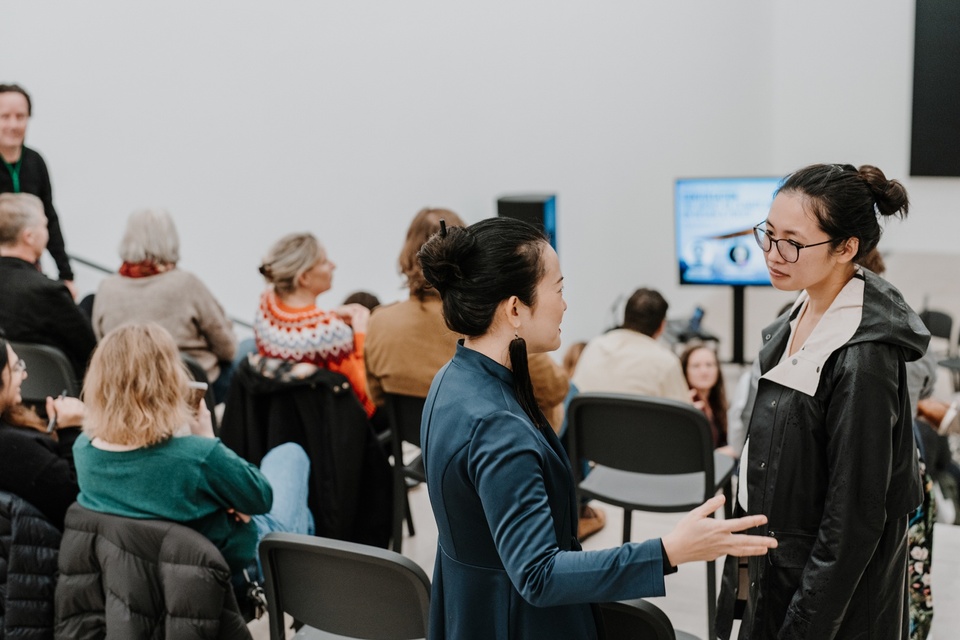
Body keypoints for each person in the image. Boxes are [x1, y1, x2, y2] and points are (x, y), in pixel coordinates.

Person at [417, 216, 777, 639]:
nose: (565, 304)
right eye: (559, 289)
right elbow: (539, 575)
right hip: (517, 622)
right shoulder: (498, 426)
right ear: (515, 308)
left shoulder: (453, 377)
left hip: (470, 607)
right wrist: (669, 550)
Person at [717, 164, 929, 639]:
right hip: (778, 562)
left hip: (826, 595)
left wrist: (804, 627)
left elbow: (852, 518)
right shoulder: (799, 310)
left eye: (792, 242)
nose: (773, 254)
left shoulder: (864, 357)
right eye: (767, 235)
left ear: (846, 248)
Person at [72, 323, 313, 582]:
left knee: (303, 515)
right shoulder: (198, 455)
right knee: (291, 455)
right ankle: (302, 591)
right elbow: (261, 499)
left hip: (150, 573)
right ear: (167, 380)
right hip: (235, 566)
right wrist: (207, 438)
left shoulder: (84, 449)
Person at [364, 207, 569, 431]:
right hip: (502, 439)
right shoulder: (485, 326)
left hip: (420, 449)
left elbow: (377, 397)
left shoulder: (379, 322)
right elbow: (555, 387)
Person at [92, 208, 237, 402]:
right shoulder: (186, 284)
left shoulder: (106, 288)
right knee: (243, 363)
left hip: (129, 392)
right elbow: (227, 347)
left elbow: (102, 343)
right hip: (187, 390)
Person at [254, 232, 375, 416]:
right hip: (331, 425)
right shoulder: (332, 335)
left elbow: (297, 329)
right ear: (304, 278)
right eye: (325, 262)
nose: (333, 265)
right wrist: (361, 335)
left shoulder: (266, 308)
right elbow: (366, 398)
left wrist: (330, 315)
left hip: (285, 419)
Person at [0, 193, 96, 384]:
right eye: (44, 225)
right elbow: (93, 354)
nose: (48, 232)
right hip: (58, 397)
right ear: (29, 237)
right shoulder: (48, 292)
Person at [0, 333, 85, 530]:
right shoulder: (12, 449)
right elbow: (75, 496)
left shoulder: (9, 427)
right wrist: (70, 430)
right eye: (15, 368)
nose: (24, 374)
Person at [0, 84, 74, 295]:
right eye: (5, 116)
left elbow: (49, 216)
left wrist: (66, 274)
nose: (13, 124)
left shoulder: (35, 162)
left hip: (29, 269)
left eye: (20, 116)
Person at [572, 287, 692, 404]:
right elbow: (684, 417)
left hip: (591, 424)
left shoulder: (595, 346)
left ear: (625, 316)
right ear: (662, 326)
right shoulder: (666, 362)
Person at [680, 344, 735, 457]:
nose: (704, 371)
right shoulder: (685, 403)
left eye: (709, 365)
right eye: (696, 366)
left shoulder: (719, 405)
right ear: (685, 371)